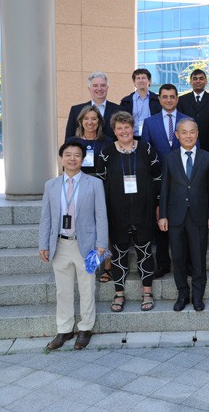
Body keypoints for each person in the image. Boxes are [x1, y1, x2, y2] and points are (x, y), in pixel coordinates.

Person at [39, 141, 108, 350]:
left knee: (87, 287)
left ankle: (85, 328)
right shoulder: (51, 185)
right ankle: (64, 329)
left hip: (85, 245)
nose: (72, 159)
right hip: (60, 244)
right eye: (67, 155)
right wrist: (44, 243)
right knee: (63, 290)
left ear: (83, 159)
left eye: (77, 155)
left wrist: (101, 244)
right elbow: (46, 217)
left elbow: (101, 215)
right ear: (61, 158)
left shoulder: (94, 183)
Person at [96, 111, 161, 312]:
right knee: (119, 253)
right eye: (119, 128)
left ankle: (147, 292)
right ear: (114, 131)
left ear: (133, 128)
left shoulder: (146, 149)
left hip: (144, 210)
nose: (124, 131)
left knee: (145, 252)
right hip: (117, 211)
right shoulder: (107, 151)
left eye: (127, 127)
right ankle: (119, 294)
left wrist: (158, 206)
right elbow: (99, 182)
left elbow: (158, 178)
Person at [159, 118, 209, 312]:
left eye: (192, 132)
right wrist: (163, 215)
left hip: (199, 216)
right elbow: (165, 189)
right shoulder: (170, 158)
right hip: (175, 217)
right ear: (177, 135)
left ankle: (198, 296)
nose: (188, 136)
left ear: (198, 133)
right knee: (178, 257)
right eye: (183, 132)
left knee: (198, 257)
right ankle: (182, 294)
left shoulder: (207, 158)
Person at [141, 83, 189, 280]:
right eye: (165, 97)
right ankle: (162, 264)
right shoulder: (150, 122)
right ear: (159, 99)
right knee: (161, 220)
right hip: (158, 179)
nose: (168, 100)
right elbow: (145, 151)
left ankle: (186, 264)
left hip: (183, 180)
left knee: (185, 222)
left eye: (172, 96)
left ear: (177, 99)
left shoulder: (188, 121)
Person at [66, 104, 112, 283]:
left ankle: (107, 267)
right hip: (79, 187)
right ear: (81, 121)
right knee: (82, 225)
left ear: (99, 121)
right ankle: (85, 265)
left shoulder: (107, 141)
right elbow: (68, 164)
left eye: (94, 118)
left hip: (102, 186)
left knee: (103, 226)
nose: (90, 122)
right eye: (86, 119)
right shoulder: (72, 141)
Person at [65, 71, 124, 141]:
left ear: (107, 88)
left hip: (111, 151)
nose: (99, 89)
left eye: (103, 85)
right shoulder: (76, 110)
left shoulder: (119, 110)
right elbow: (69, 138)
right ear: (89, 88)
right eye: (95, 85)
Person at [176, 69, 209, 153]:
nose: (198, 81)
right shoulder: (182, 100)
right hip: (187, 146)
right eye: (195, 78)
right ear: (190, 82)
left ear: (206, 81)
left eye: (201, 78)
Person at [119, 68, 161, 140]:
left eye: (143, 78)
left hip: (153, 138)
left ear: (149, 81)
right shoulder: (126, 101)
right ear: (134, 82)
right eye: (138, 78)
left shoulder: (158, 100)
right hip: (132, 138)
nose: (141, 81)